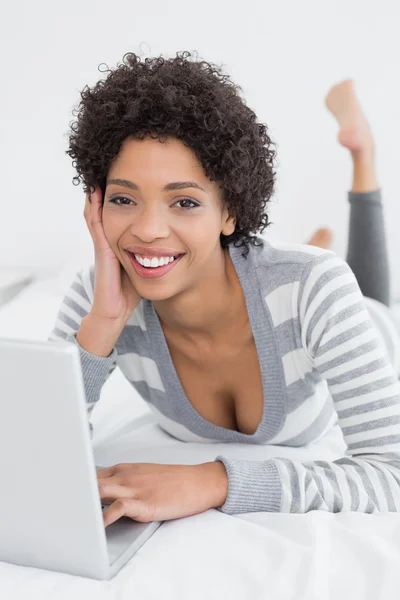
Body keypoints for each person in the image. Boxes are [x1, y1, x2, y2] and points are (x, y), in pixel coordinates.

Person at [49, 52, 400, 525]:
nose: (149, 229)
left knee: (372, 297)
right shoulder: (98, 301)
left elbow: (391, 473)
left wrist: (215, 481)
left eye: (185, 201)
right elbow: (30, 459)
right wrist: (102, 328)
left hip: (364, 322)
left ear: (229, 213)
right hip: (255, 277)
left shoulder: (315, 288)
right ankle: (303, 243)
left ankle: (363, 155)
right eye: (124, 199)